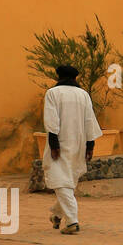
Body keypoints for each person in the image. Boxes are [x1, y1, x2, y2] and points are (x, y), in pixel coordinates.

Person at [42, 64, 102, 234]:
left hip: (59, 144)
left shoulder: (52, 93)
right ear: (75, 78)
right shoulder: (83, 95)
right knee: (67, 182)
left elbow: (51, 121)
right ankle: (57, 215)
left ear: (59, 77)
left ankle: (72, 222)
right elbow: (90, 120)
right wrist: (90, 145)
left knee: (61, 182)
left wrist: (54, 145)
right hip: (79, 144)